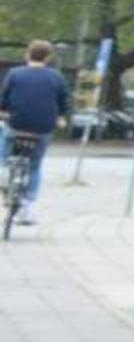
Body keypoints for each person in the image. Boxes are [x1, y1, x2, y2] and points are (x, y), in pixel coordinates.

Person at [3, 40, 72, 222]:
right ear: (48, 58)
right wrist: (61, 117)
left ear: (27, 54)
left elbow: (4, 97)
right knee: (35, 166)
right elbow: (64, 101)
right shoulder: (57, 77)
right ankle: (27, 207)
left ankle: (3, 172)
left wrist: (3, 111)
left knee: (4, 148)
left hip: (16, 123)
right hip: (43, 127)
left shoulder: (15, 74)